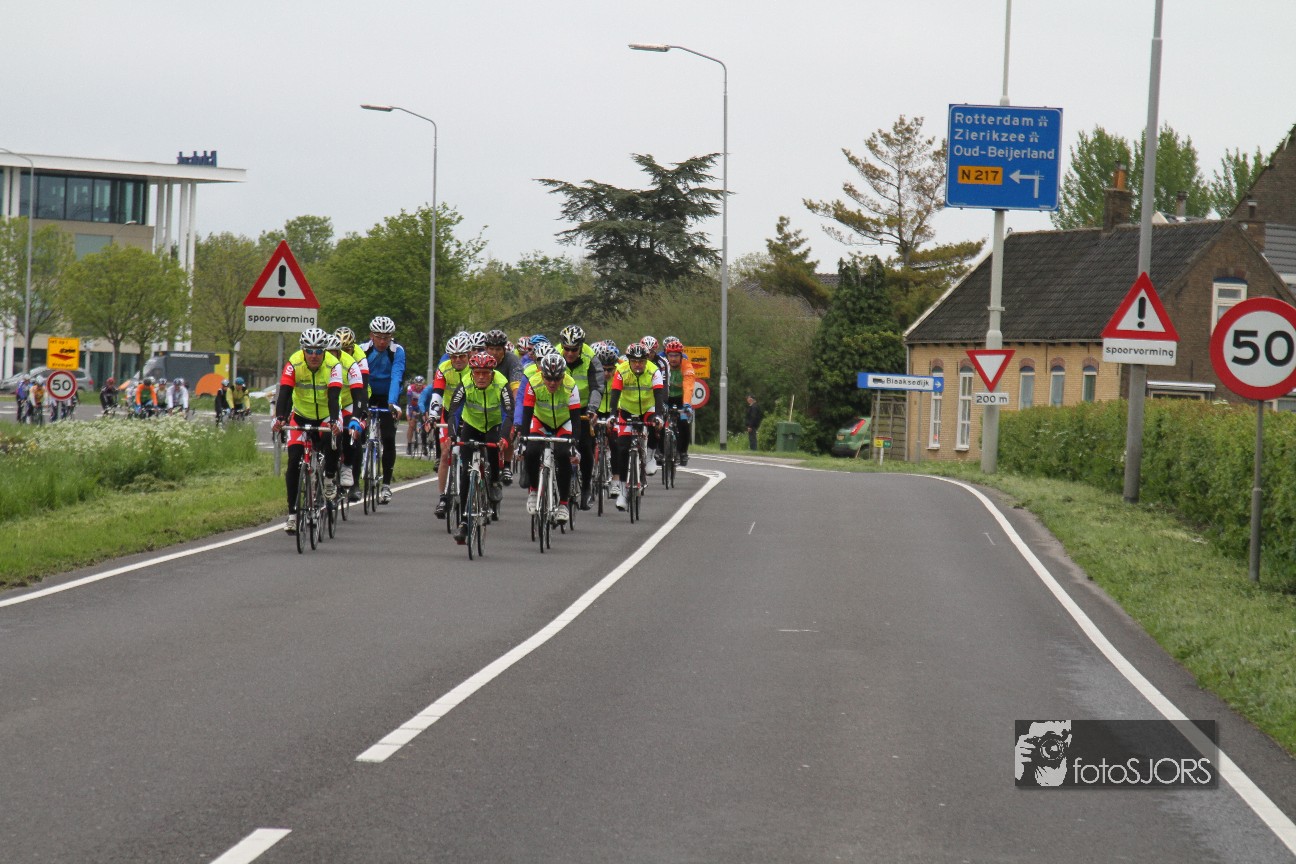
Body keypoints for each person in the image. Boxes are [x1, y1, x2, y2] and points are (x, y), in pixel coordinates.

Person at [271, 327, 346, 534]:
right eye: (309, 351)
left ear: (324, 351)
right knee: (293, 461)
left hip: (326, 414)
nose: (314, 355)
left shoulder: (333, 365)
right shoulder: (294, 363)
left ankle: (329, 478)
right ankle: (292, 515)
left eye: (318, 351)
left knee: (333, 439)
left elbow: (334, 396)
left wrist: (334, 421)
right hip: (301, 415)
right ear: (303, 350)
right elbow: (285, 393)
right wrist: (280, 418)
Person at [436, 350, 513, 543]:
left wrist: (504, 438)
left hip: (494, 425)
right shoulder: (465, 383)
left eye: (485, 373)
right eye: (477, 373)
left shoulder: (502, 383)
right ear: (472, 372)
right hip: (471, 425)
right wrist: (452, 436)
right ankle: (464, 522)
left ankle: (493, 482)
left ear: (492, 373)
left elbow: (508, 414)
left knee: (493, 449)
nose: (481, 377)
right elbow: (454, 412)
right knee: (465, 473)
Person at [521, 352, 582, 522]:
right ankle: (534, 490)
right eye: (548, 378)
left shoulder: (571, 385)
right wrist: (523, 441)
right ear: (542, 375)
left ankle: (563, 504)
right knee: (531, 451)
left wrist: (574, 445)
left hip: (564, 422)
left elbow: (576, 419)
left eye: (557, 379)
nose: (553, 383)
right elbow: (526, 414)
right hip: (540, 420)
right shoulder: (533, 383)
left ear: (563, 376)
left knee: (563, 455)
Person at [607, 342, 665, 511]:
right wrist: (612, 415)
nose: (638, 364)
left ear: (647, 360)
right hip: (627, 409)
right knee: (622, 448)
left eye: (641, 361)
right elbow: (615, 394)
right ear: (629, 361)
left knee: (655, 425)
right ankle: (623, 492)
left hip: (648, 408)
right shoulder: (621, 371)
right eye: (634, 361)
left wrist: (659, 416)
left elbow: (659, 396)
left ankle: (650, 456)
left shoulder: (654, 371)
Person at [424, 333, 473, 518]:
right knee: (445, 453)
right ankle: (443, 497)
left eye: (461, 356)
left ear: (469, 355)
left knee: (472, 453)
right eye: (454, 356)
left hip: (470, 414)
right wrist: (432, 416)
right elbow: (437, 394)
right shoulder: (443, 368)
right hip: (448, 413)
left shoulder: (475, 369)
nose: (458, 360)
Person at [360, 315, 406, 505]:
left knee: (388, 438)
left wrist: (392, 403)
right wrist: (360, 402)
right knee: (357, 433)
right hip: (368, 393)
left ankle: (386, 484)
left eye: (386, 338)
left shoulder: (397, 351)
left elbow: (396, 376)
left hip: (388, 395)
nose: (382, 341)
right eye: (378, 337)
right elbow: (359, 378)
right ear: (371, 335)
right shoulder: (362, 350)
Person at [558, 324, 605, 508]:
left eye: (574, 349)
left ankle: (586, 487)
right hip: (560, 407)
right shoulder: (555, 354)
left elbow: (597, 386)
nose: (570, 353)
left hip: (583, 407)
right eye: (567, 349)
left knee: (585, 446)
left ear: (581, 347)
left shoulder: (590, 358)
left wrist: (592, 409)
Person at [661, 338, 696, 465]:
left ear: (681, 356)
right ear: (667, 356)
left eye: (676, 355)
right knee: (659, 422)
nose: (673, 358)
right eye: (671, 355)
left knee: (684, 423)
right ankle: (660, 451)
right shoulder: (662, 366)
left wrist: (686, 404)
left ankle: (683, 452)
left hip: (682, 399)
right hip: (667, 398)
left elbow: (688, 386)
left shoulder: (687, 366)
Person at [405, 375, 426, 455]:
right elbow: (409, 402)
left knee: (424, 424)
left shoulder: (425, 389)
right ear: (414, 384)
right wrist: (412, 411)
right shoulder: (410, 388)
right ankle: (409, 445)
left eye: (420, 385)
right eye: (417, 385)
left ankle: (424, 444)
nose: (418, 387)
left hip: (420, 406)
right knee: (411, 425)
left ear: (422, 385)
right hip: (412, 406)